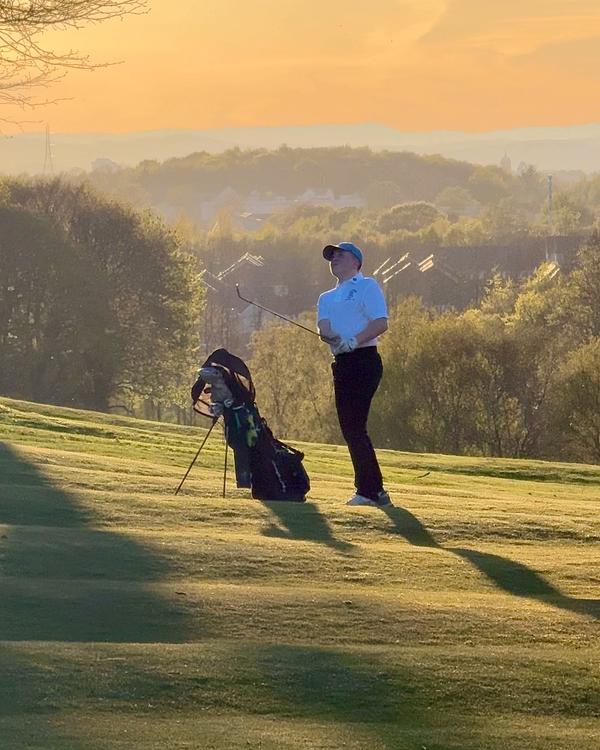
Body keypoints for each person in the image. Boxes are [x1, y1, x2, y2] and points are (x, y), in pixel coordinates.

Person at [317, 241, 392, 507]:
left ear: (355, 262)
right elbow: (324, 329)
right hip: (342, 363)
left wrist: (354, 340)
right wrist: (335, 339)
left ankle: (369, 491)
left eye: (340, 254)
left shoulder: (367, 285)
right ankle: (374, 491)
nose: (334, 258)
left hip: (364, 360)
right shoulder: (325, 298)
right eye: (331, 256)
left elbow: (380, 322)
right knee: (350, 428)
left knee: (354, 426)